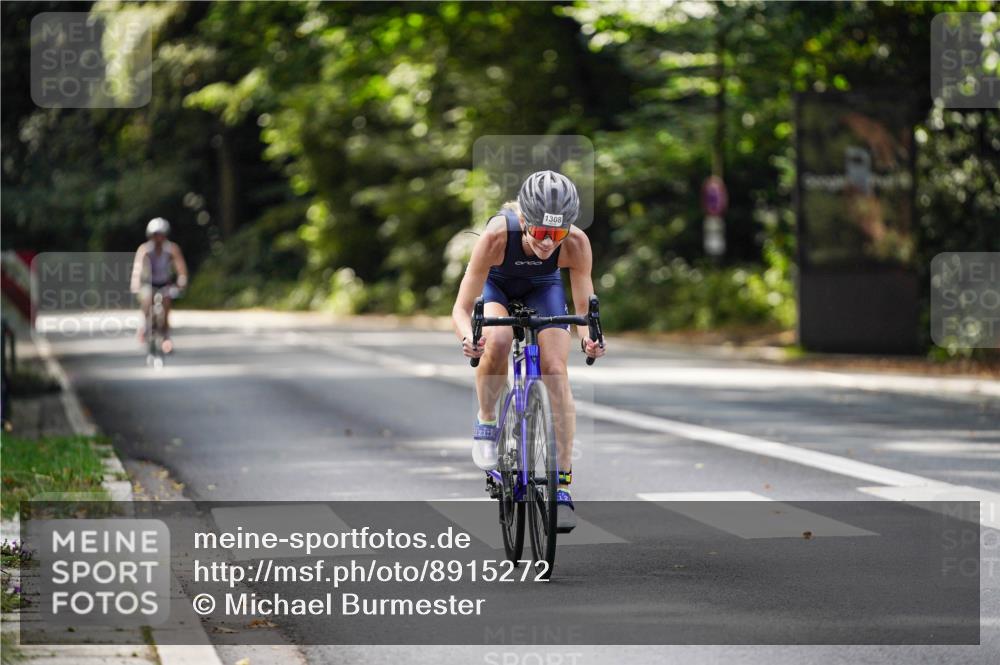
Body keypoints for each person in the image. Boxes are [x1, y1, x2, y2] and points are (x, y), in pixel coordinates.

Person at [452, 170, 606, 532]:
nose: (548, 243)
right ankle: (488, 420)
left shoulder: (576, 243)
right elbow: (461, 307)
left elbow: (583, 310)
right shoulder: (495, 237)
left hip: (544, 289)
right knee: (499, 340)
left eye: (557, 233)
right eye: (540, 232)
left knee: (555, 370)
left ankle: (562, 485)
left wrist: (589, 338)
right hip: (497, 289)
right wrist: (467, 337)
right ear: (524, 220)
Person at [130, 217, 188, 354]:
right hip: (149, 283)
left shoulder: (172, 249)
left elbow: (180, 267)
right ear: (150, 235)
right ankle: (145, 326)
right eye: (156, 235)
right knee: (147, 301)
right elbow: (137, 269)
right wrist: (135, 283)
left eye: (161, 234)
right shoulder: (145, 249)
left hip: (165, 283)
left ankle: (166, 336)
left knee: (166, 303)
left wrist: (182, 280)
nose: (158, 238)